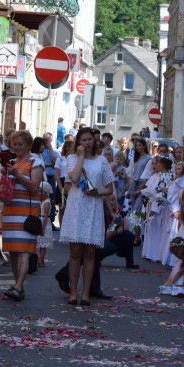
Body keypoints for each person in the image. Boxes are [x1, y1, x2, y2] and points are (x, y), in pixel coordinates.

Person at [60, 127, 115, 305]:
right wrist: (81, 157)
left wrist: (97, 192)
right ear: (78, 142)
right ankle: (73, 292)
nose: (87, 143)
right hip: (77, 207)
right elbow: (74, 179)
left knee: (90, 253)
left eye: (89, 139)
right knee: (75, 252)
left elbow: (110, 188)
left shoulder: (102, 161)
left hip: (93, 207)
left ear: (95, 140)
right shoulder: (72, 158)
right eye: (83, 140)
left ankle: (85, 294)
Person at [0, 130, 44, 301]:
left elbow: (34, 186)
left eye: (20, 144)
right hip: (11, 210)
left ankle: (17, 287)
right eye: (14, 144)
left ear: (28, 145)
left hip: (26, 211)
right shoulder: (11, 162)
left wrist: (17, 175)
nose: (17, 147)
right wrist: (5, 176)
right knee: (14, 251)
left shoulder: (35, 161)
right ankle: (19, 287)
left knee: (24, 250)